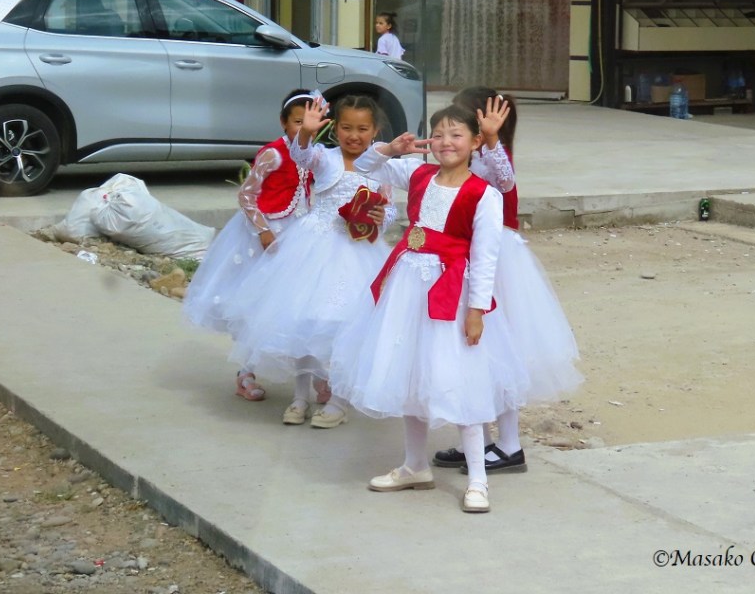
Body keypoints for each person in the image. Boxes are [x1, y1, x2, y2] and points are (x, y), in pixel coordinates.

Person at [329, 104, 529, 513]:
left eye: (456, 135)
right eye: (438, 134)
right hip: (408, 287)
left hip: (450, 291)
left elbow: (486, 256)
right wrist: (390, 147)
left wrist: (476, 310)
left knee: (459, 376)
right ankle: (415, 465)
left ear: (475, 142)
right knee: (410, 370)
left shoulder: (483, 194)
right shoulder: (416, 173)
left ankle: (478, 478)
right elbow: (366, 167)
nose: (445, 142)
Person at [431, 87, 583, 475]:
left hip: (497, 262)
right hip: (465, 260)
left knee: (498, 353)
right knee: (473, 355)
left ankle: (510, 445)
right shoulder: (457, 163)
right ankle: (477, 442)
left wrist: (493, 140)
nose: (453, 136)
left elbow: (505, 176)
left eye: (463, 126)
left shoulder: (495, 159)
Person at [222, 94, 396, 428]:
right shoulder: (325, 158)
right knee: (303, 320)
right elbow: (301, 154)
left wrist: (378, 217)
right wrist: (305, 134)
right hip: (313, 248)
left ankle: (339, 401)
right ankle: (300, 397)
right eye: (346, 127)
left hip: (358, 253)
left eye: (362, 129)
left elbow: (389, 209)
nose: (354, 135)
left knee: (347, 326)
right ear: (335, 130)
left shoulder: (381, 166)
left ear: (374, 131)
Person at [182, 89, 314, 402]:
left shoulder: (314, 154)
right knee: (254, 304)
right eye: (297, 122)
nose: (303, 129)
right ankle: (246, 370)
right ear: (284, 122)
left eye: (310, 123)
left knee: (296, 304)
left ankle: (309, 373)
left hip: (298, 235)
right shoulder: (273, 154)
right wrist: (263, 230)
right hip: (265, 235)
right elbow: (246, 195)